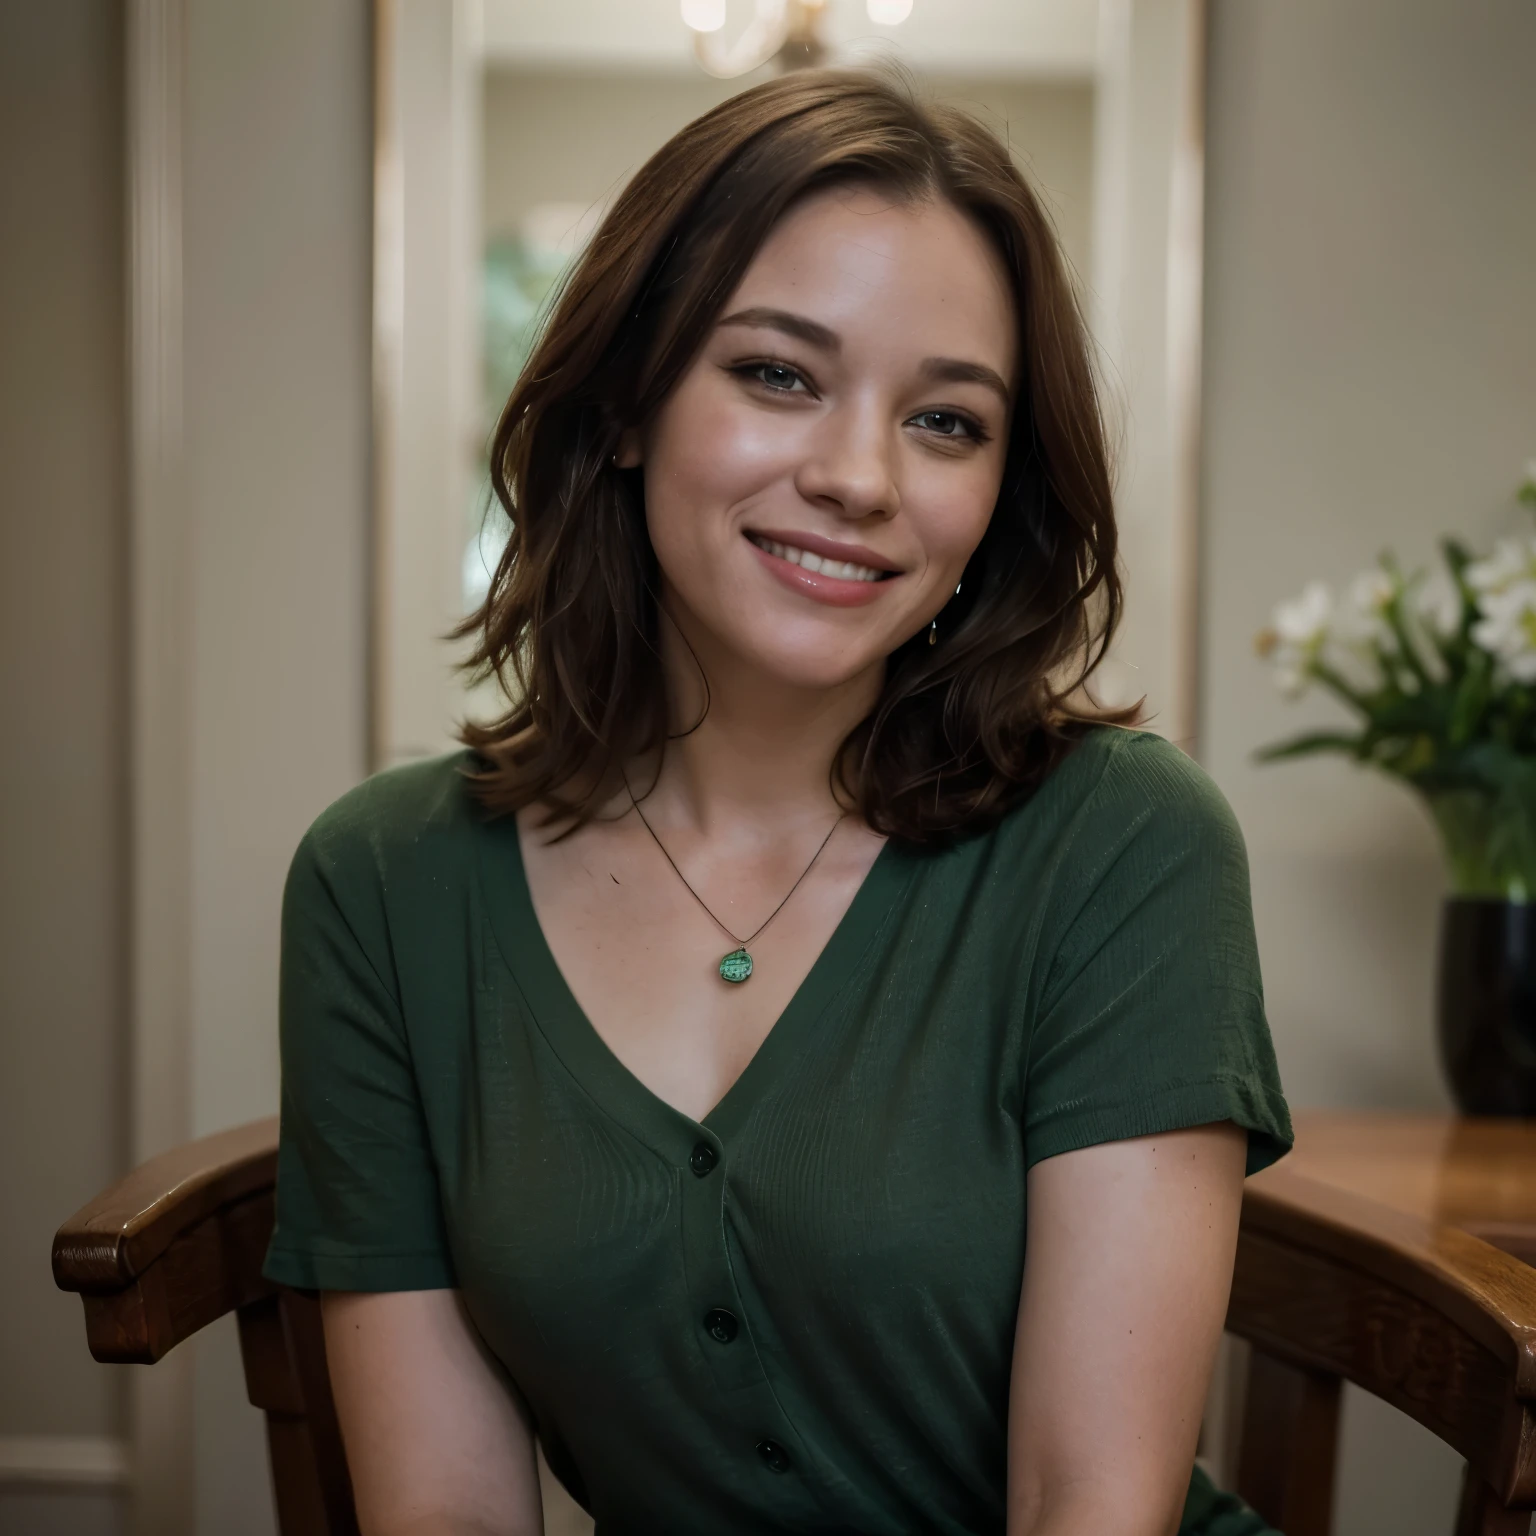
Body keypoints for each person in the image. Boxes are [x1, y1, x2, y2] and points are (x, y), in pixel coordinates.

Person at [263, 69, 1291, 1536]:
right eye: (778, 375)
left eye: (946, 422)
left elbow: (1090, 1504)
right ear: (625, 405)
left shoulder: (1124, 842)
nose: (861, 477)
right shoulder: (383, 887)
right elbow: (447, 1513)